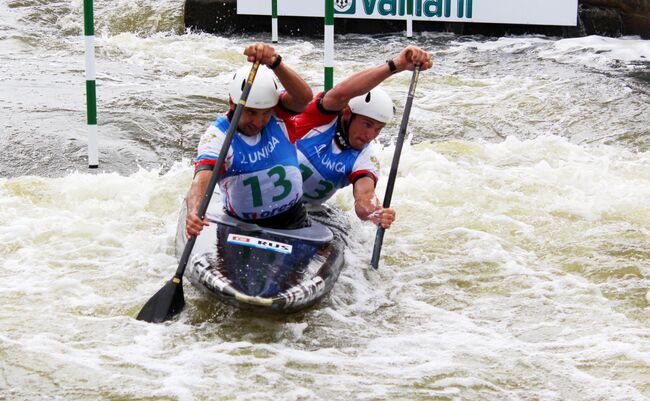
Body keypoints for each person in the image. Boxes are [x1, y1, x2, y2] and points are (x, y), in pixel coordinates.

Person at [292, 45, 432, 229]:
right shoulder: (319, 119)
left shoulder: (365, 158)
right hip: (262, 201)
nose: (371, 136)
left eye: (378, 129)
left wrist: (375, 212)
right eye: (367, 124)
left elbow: (364, 198)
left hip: (305, 212)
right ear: (348, 114)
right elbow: (343, 92)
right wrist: (396, 65)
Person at [185, 43, 313, 238]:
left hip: (293, 221)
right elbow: (202, 178)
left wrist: (275, 63)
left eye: (265, 114)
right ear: (232, 103)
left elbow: (304, 98)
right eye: (251, 113)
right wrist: (194, 211)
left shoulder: (278, 114)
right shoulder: (218, 136)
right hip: (242, 227)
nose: (259, 122)